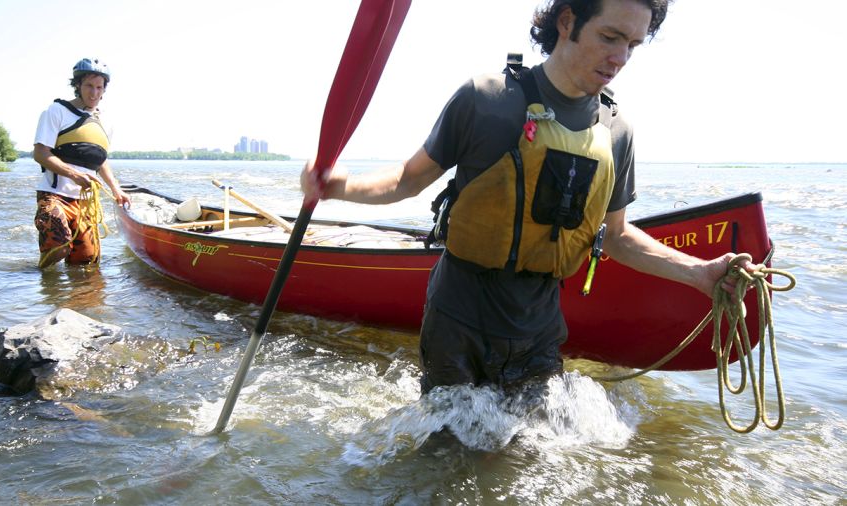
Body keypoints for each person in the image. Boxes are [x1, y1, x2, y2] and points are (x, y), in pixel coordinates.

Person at [302, 0, 756, 394]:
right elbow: (407, 179)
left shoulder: (617, 131)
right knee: (448, 467)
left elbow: (616, 237)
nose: (620, 57)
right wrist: (337, 186)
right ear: (566, 21)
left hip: (538, 329)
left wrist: (702, 274)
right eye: (610, 36)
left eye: (633, 45)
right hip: (458, 319)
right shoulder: (486, 99)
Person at [33, 57, 130, 269]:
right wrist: (74, 175)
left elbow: (101, 160)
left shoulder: (106, 123)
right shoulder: (56, 111)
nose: (94, 93)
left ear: (104, 90)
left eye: (99, 87)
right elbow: (40, 153)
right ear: (77, 86)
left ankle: (81, 300)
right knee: (59, 247)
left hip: (85, 202)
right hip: (54, 195)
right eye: (88, 86)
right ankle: (47, 291)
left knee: (86, 263)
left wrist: (116, 190)